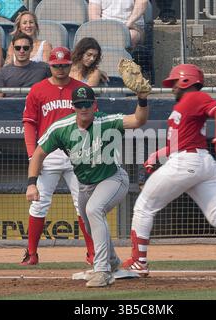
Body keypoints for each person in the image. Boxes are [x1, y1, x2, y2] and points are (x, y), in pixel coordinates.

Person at [122, 64, 216, 276]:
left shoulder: (194, 97)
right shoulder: (184, 105)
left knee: (143, 206)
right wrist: (154, 156)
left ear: (186, 81)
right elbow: (177, 143)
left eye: (175, 82)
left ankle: (139, 262)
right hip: (200, 162)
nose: (172, 87)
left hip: (186, 162)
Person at [26, 85, 150, 287]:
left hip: (113, 179)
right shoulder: (61, 127)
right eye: (78, 104)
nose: (83, 108)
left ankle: (101, 271)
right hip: (85, 184)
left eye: (87, 104)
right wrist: (32, 184)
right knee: (88, 221)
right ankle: (113, 263)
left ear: (94, 105)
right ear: (73, 107)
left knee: (94, 210)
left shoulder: (106, 121)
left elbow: (138, 120)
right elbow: (39, 153)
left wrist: (142, 99)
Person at [21, 46, 95, 266]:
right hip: (47, 153)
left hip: (77, 154)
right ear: (50, 65)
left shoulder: (81, 89)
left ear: (70, 65)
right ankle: (31, 253)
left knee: (83, 205)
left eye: (64, 65)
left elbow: (93, 120)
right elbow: (29, 123)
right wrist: (31, 154)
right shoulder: (38, 90)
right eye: (56, 65)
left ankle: (93, 253)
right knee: (38, 203)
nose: (60, 69)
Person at [0, 32, 50, 98]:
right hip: (10, 107)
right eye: (18, 48)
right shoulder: (2, 72)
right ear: (13, 49)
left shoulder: (43, 68)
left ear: (31, 48)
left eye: (26, 48)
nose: (21, 51)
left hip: (35, 106)